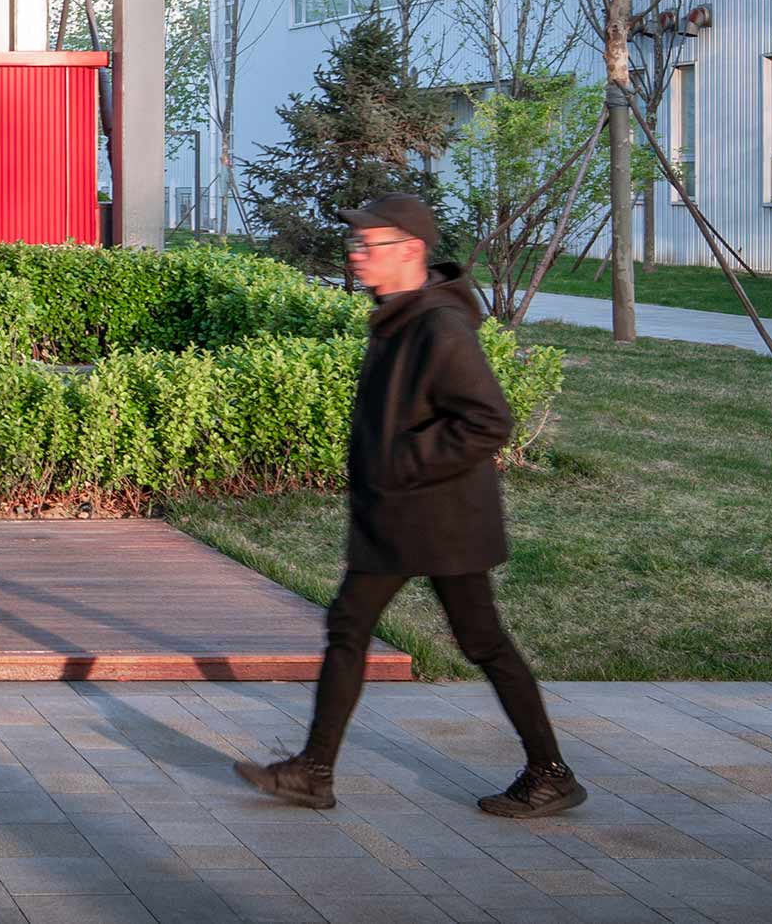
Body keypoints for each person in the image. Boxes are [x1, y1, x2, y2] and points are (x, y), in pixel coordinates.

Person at [234, 190, 585, 821]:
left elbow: (488, 422)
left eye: (371, 245)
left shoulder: (438, 326)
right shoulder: (399, 315)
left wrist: (401, 462)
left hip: (437, 517)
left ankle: (548, 772)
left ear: (411, 250)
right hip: (404, 514)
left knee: (473, 641)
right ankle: (316, 770)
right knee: (366, 628)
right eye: (356, 244)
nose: (357, 254)